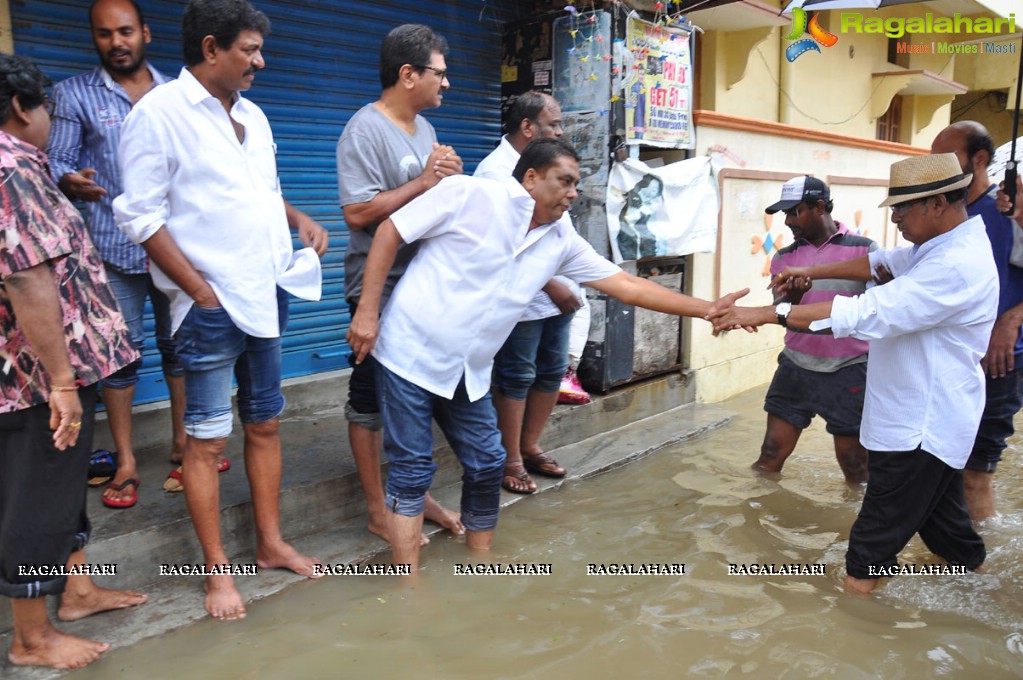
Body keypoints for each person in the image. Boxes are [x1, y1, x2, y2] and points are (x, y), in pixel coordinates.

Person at [347, 138, 749, 572]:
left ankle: (479, 568)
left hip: (469, 371)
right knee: (412, 470)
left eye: (576, 184)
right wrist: (368, 312)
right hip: (408, 353)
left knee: (487, 465)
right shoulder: (469, 194)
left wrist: (707, 309)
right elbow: (391, 230)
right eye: (565, 181)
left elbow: (626, 286)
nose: (573, 193)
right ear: (532, 177)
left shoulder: (561, 239)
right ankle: (409, 590)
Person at [113, 0, 329, 620]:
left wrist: (297, 218)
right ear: (211, 48)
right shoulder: (158, 116)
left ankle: (269, 542)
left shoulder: (254, 117)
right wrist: (199, 290)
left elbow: (263, 192)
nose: (260, 62)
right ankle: (216, 574)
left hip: (268, 294)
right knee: (204, 444)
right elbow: (140, 215)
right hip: (208, 308)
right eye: (250, 50)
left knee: (264, 424)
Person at [708, 153, 995, 594]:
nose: (895, 217)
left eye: (902, 208)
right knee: (951, 540)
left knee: (865, 560)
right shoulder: (934, 249)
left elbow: (863, 311)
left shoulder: (953, 265)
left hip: (918, 430)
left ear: (938, 203)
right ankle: (985, 596)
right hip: (923, 422)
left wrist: (766, 313)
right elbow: (879, 266)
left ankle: (854, 639)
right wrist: (807, 270)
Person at [0, 53, 147, 671]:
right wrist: (62, 382)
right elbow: (28, 279)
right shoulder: (10, 169)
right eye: (47, 111)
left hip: (56, 373)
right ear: (20, 109)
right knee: (36, 497)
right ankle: (32, 637)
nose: (48, 122)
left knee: (60, 491)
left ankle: (79, 591)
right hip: (37, 379)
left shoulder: (25, 168)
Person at [49, 0, 192, 509]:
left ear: (146, 33)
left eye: (125, 31)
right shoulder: (73, 95)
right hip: (112, 249)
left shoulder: (178, 93)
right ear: (95, 37)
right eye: (105, 34)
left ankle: (183, 445)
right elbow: (56, 160)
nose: (117, 42)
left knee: (180, 347)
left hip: (176, 247)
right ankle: (127, 459)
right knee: (120, 358)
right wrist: (68, 179)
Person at [337, 23, 463, 541]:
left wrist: (448, 180)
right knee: (368, 396)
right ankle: (374, 507)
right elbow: (357, 212)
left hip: (421, 286)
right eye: (439, 74)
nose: (447, 84)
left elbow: (426, 202)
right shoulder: (364, 129)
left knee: (416, 392)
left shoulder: (426, 131)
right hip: (377, 286)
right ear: (408, 74)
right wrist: (424, 182)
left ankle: (413, 493)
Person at [475, 91, 581, 494]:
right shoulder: (493, 173)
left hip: (559, 294)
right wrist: (550, 283)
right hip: (525, 299)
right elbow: (499, 245)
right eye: (553, 123)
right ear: (527, 126)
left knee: (551, 371)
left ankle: (531, 446)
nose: (559, 130)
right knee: (516, 375)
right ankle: (511, 458)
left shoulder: (549, 165)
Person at [931, 121, 1023, 522]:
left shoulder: (1009, 210)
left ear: (980, 160)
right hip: (952, 358)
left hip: (1000, 361)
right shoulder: (945, 214)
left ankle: (976, 573)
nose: (937, 166)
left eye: (946, 157)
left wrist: (1011, 320)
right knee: (940, 465)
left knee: (975, 473)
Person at [756, 176, 873, 483]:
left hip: (851, 369)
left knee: (855, 465)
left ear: (819, 207)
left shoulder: (865, 250)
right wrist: (792, 299)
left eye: (795, 212)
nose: (788, 220)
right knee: (770, 454)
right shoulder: (783, 258)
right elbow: (781, 311)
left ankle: (858, 526)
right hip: (796, 365)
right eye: (785, 213)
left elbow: (880, 309)